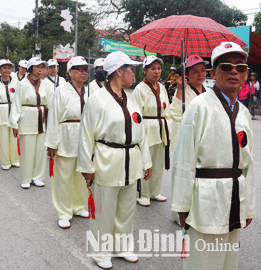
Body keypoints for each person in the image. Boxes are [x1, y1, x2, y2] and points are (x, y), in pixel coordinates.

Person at [171, 42, 256, 270]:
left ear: (246, 74)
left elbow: (248, 164)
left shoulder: (244, 113)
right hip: (205, 199)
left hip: (235, 197)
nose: (234, 71)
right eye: (226, 66)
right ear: (213, 73)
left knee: (229, 262)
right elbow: (183, 160)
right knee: (203, 262)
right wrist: (182, 203)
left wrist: (249, 206)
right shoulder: (198, 107)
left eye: (241, 67)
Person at [77, 51, 152, 269]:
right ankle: (100, 252)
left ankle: (123, 246)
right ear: (119, 71)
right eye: (131, 69)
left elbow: (141, 134)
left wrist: (146, 161)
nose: (134, 74)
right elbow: (86, 135)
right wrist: (86, 167)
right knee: (104, 210)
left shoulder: (131, 97)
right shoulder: (96, 100)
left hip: (131, 160)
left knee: (126, 208)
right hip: (106, 161)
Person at [45, 56, 91, 229]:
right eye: (79, 69)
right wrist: (52, 143)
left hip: (84, 139)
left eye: (85, 69)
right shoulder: (61, 91)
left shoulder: (89, 92)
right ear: (69, 72)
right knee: (63, 178)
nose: (83, 72)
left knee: (81, 176)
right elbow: (53, 117)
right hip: (65, 138)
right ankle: (63, 212)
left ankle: (79, 206)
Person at [166, 54, 210, 224]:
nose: (200, 74)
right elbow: (175, 115)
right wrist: (179, 90)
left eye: (202, 70)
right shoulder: (183, 92)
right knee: (181, 176)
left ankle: (195, 211)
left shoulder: (209, 92)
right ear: (186, 75)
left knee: (198, 176)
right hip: (183, 139)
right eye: (195, 71)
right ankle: (179, 213)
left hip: (202, 139)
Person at [133, 55, 170, 207]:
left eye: (159, 68)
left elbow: (167, 108)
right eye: (153, 69)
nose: (156, 72)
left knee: (157, 162)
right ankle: (142, 194)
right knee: (144, 162)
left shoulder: (162, 88)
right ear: (144, 70)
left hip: (160, 128)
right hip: (146, 128)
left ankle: (155, 192)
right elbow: (136, 114)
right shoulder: (139, 89)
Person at [8, 57, 51, 189]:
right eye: (37, 67)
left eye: (42, 67)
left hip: (41, 120)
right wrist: (14, 123)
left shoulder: (45, 84)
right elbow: (16, 104)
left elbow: (49, 103)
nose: (40, 69)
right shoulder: (22, 84)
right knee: (27, 151)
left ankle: (37, 177)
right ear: (30, 68)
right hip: (26, 119)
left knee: (40, 151)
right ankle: (26, 178)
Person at [0, 59, 20, 170]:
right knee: (3, 138)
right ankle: (5, 162)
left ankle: (15, 160)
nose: (7, 70)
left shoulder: (16, 81)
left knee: (14, 138)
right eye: (4, 68)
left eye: (9, 67)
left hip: (14, 111)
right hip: (1, 111)